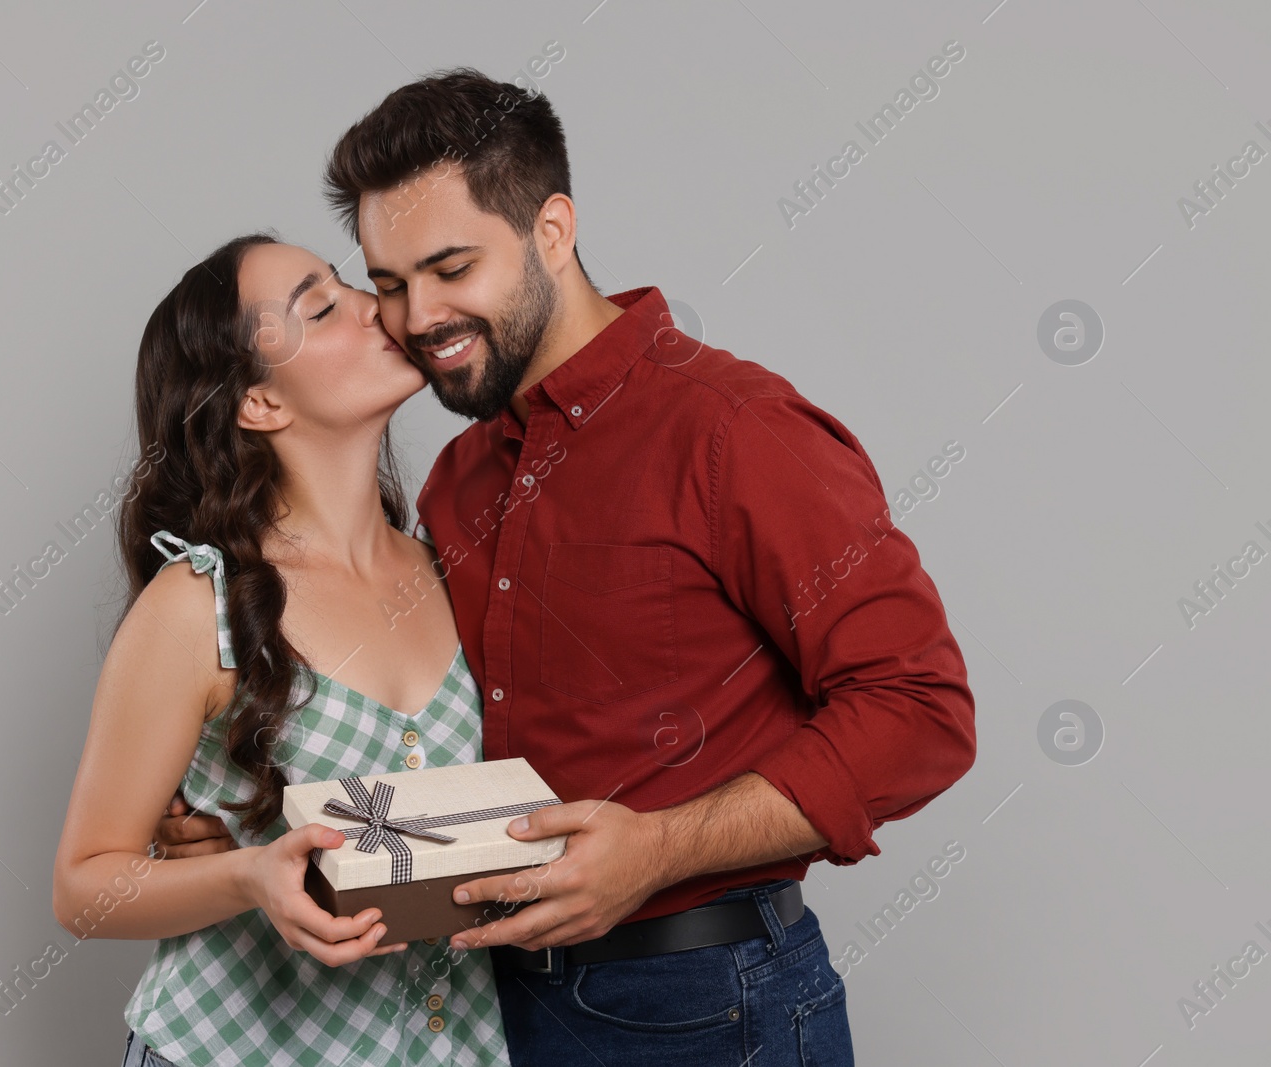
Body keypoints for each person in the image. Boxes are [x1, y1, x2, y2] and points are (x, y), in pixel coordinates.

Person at [157, 69, 978, 1065]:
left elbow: (920, 707)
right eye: (386, 282)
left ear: (551, 230)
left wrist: (659, 849)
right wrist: (245, 839)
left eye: (451, 267)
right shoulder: (456, 479)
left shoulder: (732, 431)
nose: (416, 316)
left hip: (706, 1001)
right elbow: (449, 751)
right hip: (485, 1007)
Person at [53, 232, 512, 1066]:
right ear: (259, 404)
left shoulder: (458, 564)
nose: (379, 306)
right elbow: (84, 886)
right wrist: (246, 877)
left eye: (349, 285)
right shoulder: (200, 604)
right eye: (322, 306)